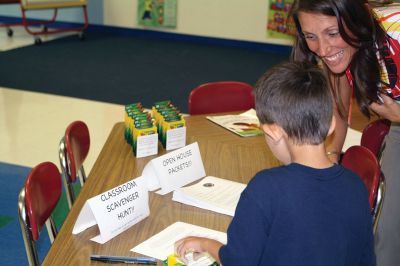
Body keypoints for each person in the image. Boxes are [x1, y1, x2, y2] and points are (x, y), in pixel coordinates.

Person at [174, 61, 375, 265]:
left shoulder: (265, 188)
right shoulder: (355, 185)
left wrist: (207, 244)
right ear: (332, 125)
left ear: (273, 131)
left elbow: (237, 261)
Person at [289, 1, 400, 265]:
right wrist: (328, 160)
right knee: (387, 233)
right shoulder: (336, 51)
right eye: (311, 37)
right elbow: (338, 110)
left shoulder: (396, 31)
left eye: (332, 33)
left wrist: (397, 116)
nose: (324, 50)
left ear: (354, 21)